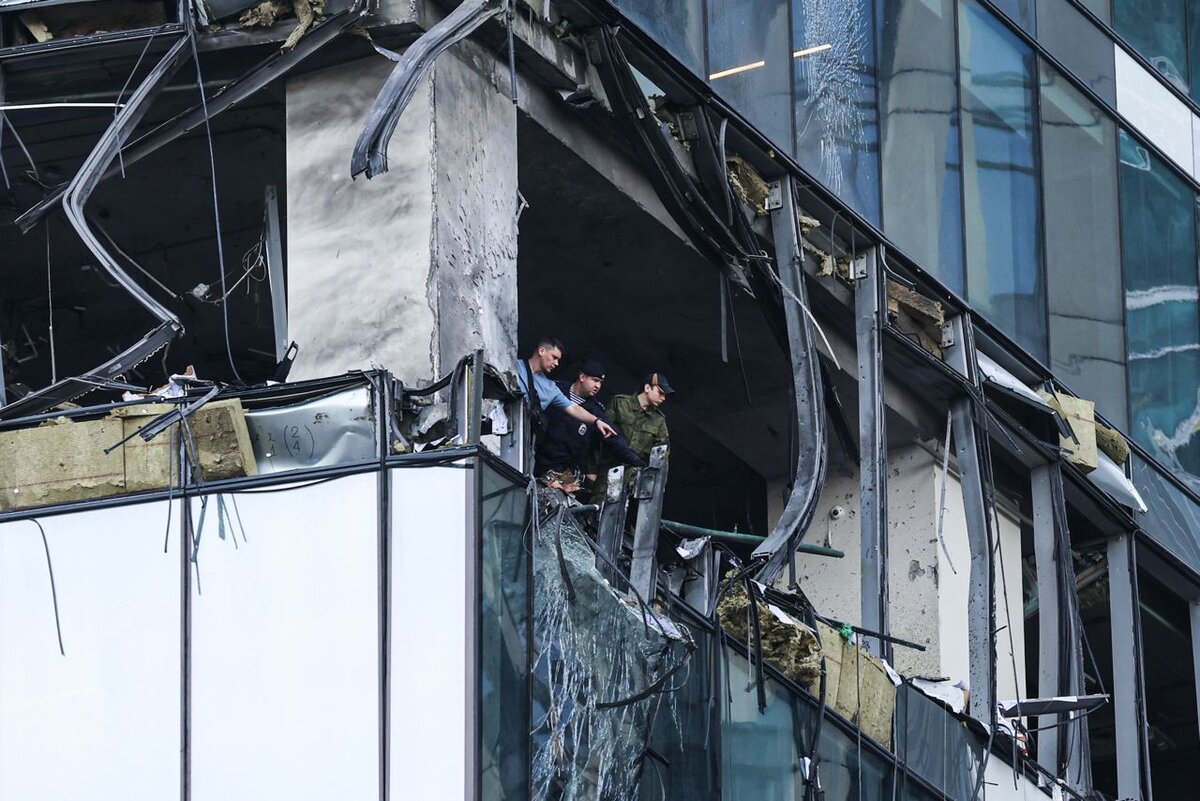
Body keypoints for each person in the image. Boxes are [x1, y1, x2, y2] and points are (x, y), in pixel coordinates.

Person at [535, 358, 645, 492]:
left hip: (560, 472)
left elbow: (613, 438)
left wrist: (637, 461)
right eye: (595, 380)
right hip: (534, 458)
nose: (598, 386)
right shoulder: (556, 389)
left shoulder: (596, 411)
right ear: (582, 377)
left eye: (601, 382)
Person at [589, 371, 673, 499]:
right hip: (607, 470)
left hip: (632, 479)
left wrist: (659, 485)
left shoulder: (659, 420)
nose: (663, 398)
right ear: (647, 388)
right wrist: (592, 470)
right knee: (595, 509)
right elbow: (599, 436)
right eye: (660, 393)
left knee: (622, 514)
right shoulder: (619, 403)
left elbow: (662, 455)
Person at [517, 337, 617, 442]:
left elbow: (573, 408)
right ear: (542, 351)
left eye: (558, 360)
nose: (556, 363)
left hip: (524, 441)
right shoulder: (513, 365)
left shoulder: (551, 387)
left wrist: (596, 421)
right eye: (554, 357)